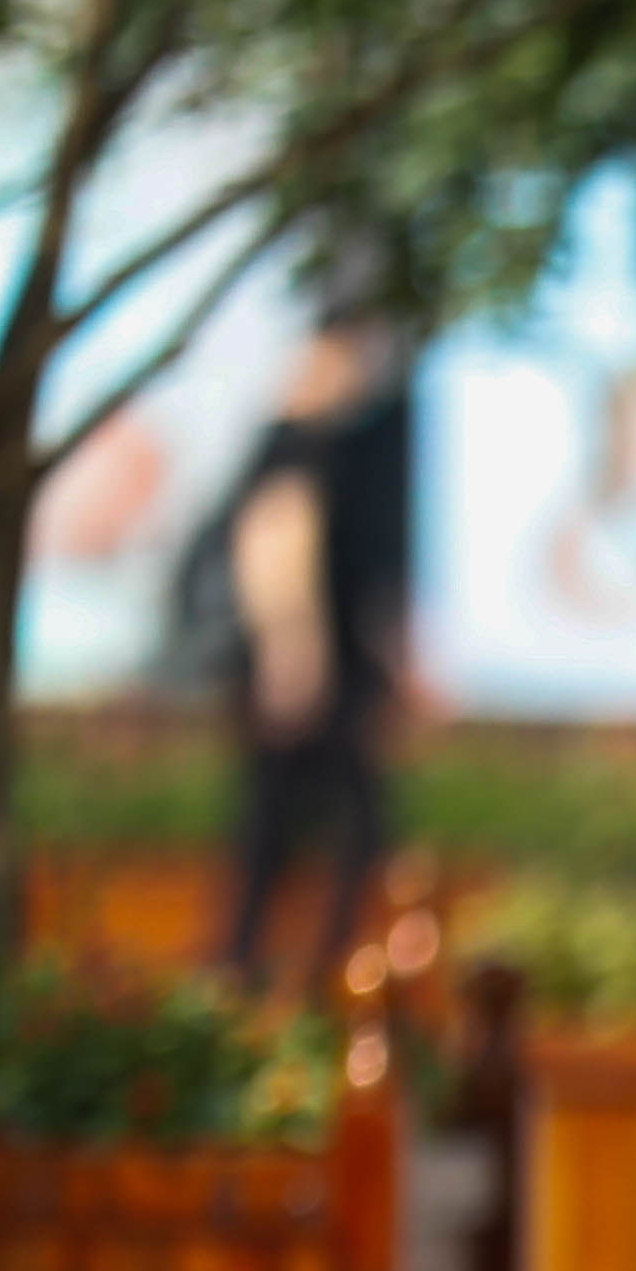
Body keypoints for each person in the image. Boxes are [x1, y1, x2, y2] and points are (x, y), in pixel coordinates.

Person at [210, 327, 406, 996]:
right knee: (326, 825)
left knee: (285, 825)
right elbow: (277, 546)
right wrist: (294, 652)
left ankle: (253, 964)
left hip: (316, 667)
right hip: (311, 672)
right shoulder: (299, 444)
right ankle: (291, 968)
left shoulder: (310, 443)